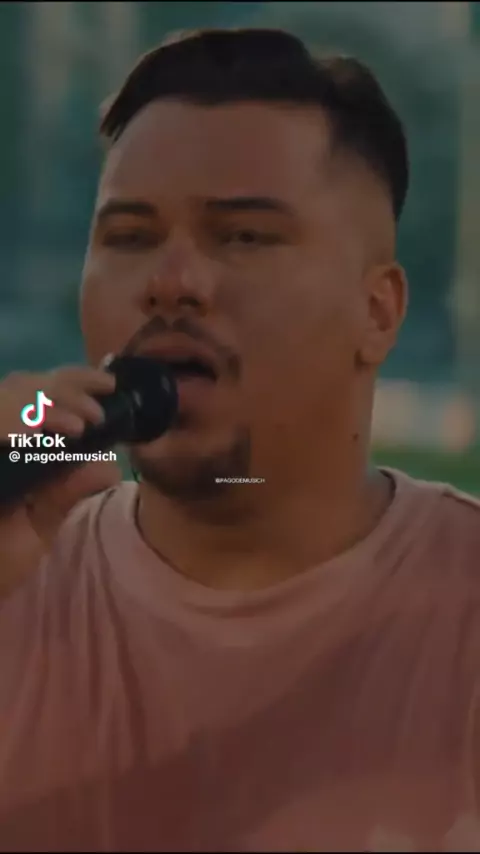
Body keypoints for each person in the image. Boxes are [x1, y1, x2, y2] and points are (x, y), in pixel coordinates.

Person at [0, 27, 479, 853]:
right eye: (130, 237)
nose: (170, 283)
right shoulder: (20, 573)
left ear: (378, 313)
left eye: (243, 236)